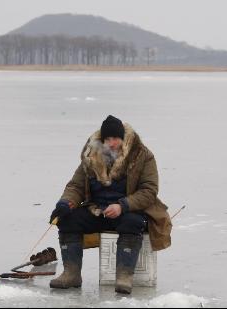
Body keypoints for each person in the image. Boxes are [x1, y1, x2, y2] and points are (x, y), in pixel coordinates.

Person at [49, 115, 172, 294]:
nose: (111, 143)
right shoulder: (91, 155)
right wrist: (66, 203)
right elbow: (76, 185)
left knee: (133, 222)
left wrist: (122, 205)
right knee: (67, 220)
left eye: (115, 138)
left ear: (123, 138)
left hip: (128, 210)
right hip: (97, 210)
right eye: (107, 139)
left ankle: (124, 276)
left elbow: (149, 191)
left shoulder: (142, 155)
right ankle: (72, 274)